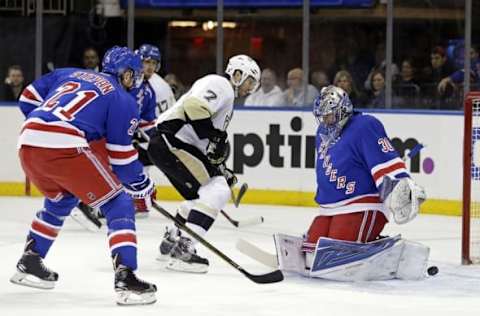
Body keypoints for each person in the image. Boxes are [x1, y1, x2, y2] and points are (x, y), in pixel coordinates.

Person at [11, 46, 157, 306]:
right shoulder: (122, 100)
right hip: (63, 145)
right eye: (133, 76)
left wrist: (48, 123)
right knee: (119, 203)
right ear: (125, 75)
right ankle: (126, 277)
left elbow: (27, 97)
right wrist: (142, 184)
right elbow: (122, 161)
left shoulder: (70, 73)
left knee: (62, 199)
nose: (134, 82)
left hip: (28, 140)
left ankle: (31, 260)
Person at [273, 86, 427, 281]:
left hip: (363, 203)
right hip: (331, 208)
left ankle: (391, 254)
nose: (326, 120)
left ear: (343, 110)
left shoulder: (365, 125)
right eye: (322, 116)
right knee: (312, 252)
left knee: (334, 254)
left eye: (330, 115)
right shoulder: (323, 132)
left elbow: (384, 158)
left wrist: (399, 188)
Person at [147, 55, 261, 273]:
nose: (251, 88)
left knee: (201, 196)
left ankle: (173, 238)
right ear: (237, 74)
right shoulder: (221, 85)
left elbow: (200, 139)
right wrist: (216, 137)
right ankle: (185, 249)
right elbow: (193, 107)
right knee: (217, 190)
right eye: (250, 81)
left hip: (169, 144)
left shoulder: (226, 97)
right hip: (171, 141)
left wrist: (219, 166)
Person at [137, 44, 176, 114]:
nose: (150, 67)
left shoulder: (162, 85)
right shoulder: (129, 81)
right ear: (139, 62)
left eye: (154, 63)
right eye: (147, 62)